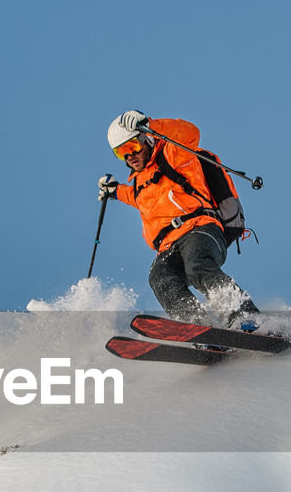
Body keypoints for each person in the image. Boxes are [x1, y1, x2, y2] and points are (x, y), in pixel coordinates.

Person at [99, 109, 260, 328]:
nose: (129, 156)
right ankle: (198, 326)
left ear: (145, 139)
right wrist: (114, 190)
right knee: (159, 278)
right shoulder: (139, 183)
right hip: (168, 245)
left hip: (199, 229)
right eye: (121, 153)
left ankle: (243, 314)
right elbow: (136, 198)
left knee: (197, 267)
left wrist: (151, 124)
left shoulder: (174, 153)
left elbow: (190, 132)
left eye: (132, 147)